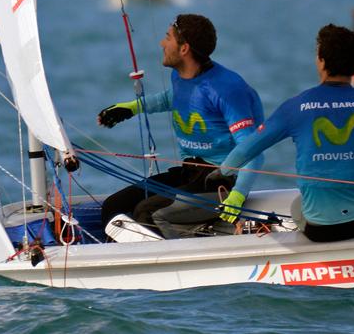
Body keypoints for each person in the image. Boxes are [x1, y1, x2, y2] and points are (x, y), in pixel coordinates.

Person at [208, 24, 354, 243]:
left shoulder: (294, 107)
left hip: (320, 231)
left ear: (322, 62)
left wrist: (222, 172)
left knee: (298, 205)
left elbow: (246, 149)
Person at [97, 14, 264, 238]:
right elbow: (172, 98)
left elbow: (254, 152)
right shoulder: (180, 76)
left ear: (184, 49)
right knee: (114, 207)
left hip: (219, 183)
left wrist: (239, 196)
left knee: (146, 213)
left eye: (168, 38)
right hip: (188, 173)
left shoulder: (226, 88)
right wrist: (131, 108)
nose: (162, 43)